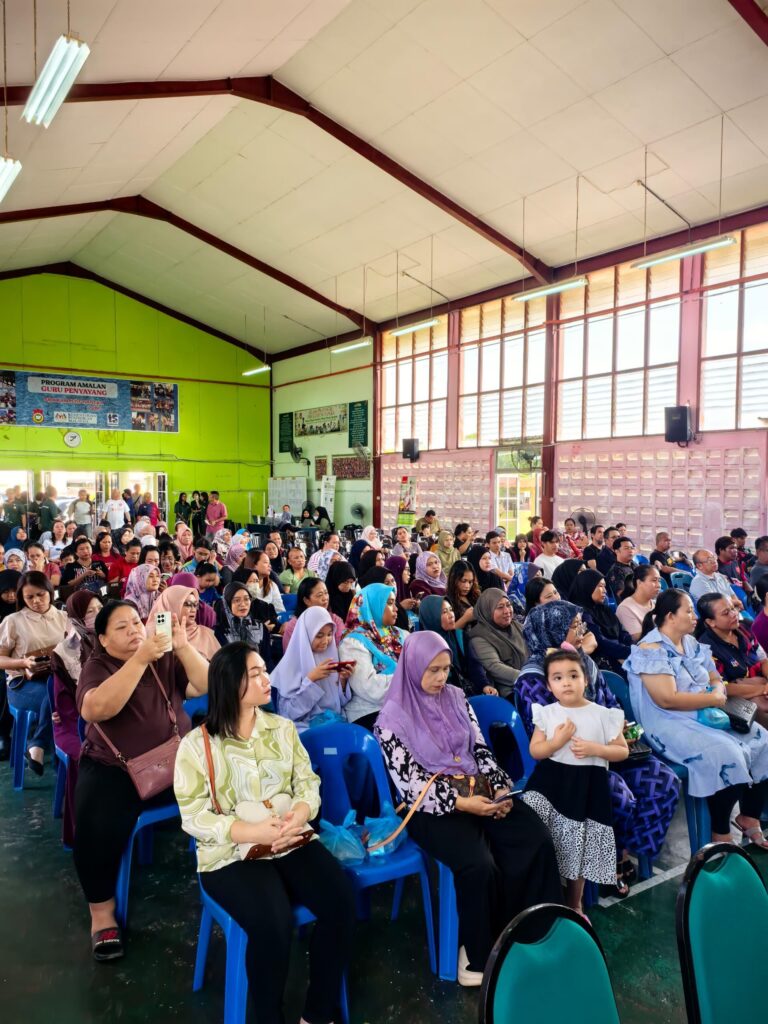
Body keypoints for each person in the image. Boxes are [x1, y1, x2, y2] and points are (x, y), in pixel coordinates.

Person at [174, 642, 354, 1024]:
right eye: (254, 673)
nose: (265, 678)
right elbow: (194, 815)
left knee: (340, 900)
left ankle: (317, 1013)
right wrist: (252, 831)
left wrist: (299, 814)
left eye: (263, 670)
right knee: (273, 923)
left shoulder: (282, 729)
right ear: (230, 683)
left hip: (289, 838)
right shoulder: (197, 746)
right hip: (231, 853)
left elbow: (307, 782)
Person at [375, 631, 561, 985]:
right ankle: (478, 952)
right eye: (432, 670)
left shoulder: (456, 697)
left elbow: (479, 748)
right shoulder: (390, 719)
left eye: (446, 669)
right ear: (412, 668)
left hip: (478, 789)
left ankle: (532, 927)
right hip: (430, 807)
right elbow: (410, 783)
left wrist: (500, 787)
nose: (441, 678)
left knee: (533, 836)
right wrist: (463, 804)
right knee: (478, 863)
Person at [73, 599, 208, 959]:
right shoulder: (97, 666)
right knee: (93, 822)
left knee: (227, 783)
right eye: (121, 627)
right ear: (103, 639)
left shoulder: (163, 656)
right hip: (116, 770)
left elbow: (205, 684)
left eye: (136, 622)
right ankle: (102, 914)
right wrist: (139, 659)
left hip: (175, 763)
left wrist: (182, 646)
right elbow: (95, 709)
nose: (133, 630)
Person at [517, 601, 679, 890]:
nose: (582, 631)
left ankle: (622, 849)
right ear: (552, 631)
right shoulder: (534, 678)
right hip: (570, 761)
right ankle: (604, 863)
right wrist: (603, 735)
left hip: (606, 751)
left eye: (581, 624)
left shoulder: (585, 665)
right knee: (617, 795)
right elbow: (551, 732)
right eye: (574, 626)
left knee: (663, 780)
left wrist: (619, 729)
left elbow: (610, 705)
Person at [625, 589, 768, 847]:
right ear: (670, 616)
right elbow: (666, 699)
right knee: (728, 753)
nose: (695, 617)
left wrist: (718, 690)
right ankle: (720, 831)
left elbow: (715, 677)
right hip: (669, 722)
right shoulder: (650, 649)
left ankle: (749, 816)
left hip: (706, 714)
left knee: (763, 740)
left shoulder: (690, 642)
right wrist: (713, 698)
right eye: (689, 611)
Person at [523, 649, 628, 912]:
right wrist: (556, 742)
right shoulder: (546, 713)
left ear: (586, 680)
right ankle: (544, 895)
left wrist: (596, 749)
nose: (566, 683)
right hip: (550, 784)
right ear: (549, 685)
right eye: (557, 678)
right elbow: (536, 751)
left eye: (573, 675)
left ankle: (575, 904)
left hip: (586, 787)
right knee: (537, 831)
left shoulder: (603, 715)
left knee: (577, 848)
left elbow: (622, 750)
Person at [0, 571, 67, 775]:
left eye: (41, 594)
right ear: (22, 597)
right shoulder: (13, 621)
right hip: (22, 684)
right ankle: (48, 753)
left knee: (62, 695)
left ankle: (40, 746)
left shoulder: (63, 617)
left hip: (56, 678)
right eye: (29, 597)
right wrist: (23, 662)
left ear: (50, 592)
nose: (36, 601)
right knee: (56, 698)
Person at [50, 591, 102, 845]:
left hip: (111, 717)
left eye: (100, 608)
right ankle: (83, 829)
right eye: (90, 612)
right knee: (86, 754)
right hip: (74, 723)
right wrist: (90, 723)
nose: (98, 615)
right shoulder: (64, 652)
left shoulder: (111, 640)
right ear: (76, 617)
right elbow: (65, 706)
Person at [272, 606, 354, 731]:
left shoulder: (330, 656)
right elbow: (288, 714)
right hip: (304, 728)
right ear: (306, 634)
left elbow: (338, 705)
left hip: (335, 723)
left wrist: (342, 682)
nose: (326, 641)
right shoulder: (290, 665)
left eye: (329, 634)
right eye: (319, 635)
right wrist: (310, 680)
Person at [694, 593, 768, 728]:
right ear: (711, 622)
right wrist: (763, 689)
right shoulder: (706, 649)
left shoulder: (745, 628)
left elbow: (763, 660)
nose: (734, 614)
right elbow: (724, 688)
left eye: (733, 608)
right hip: (741, 699)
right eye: (726, 613)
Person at [338, 583, 405, 730]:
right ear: (373, 605)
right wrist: (407, 681)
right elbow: (369, 687)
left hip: (402, 703)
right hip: (370, 711)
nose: (396, 608)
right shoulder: (353, 642)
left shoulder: (398, 634)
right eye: (390, 603)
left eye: (395, 603)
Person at [419, 594, 496, 697]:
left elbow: (474, 665)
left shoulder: (459, 635)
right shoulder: (422, 647)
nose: (451, 615)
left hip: (468, 692)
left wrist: (484, 685)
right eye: (444, 612)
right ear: (431, 617)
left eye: (451, 610)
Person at [465, 589, 527, 699]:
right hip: (511, 690)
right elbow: (494, 667)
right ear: (487, 611)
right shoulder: (479, 637)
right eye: (500, 607)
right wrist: (529, 676)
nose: (507, 611)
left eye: (508, 605)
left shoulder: (517, 626)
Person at [569, 569, 632, 673]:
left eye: (605, 586)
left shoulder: (603, 609)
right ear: (588, 587)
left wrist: (633, 646)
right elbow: (600, 642)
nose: (605, 591)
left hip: (620, 653)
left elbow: (621, 632)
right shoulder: (580, 614)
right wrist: (630, 651)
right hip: (604, 662)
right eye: (600, 586)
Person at [146, 585, 220, 661]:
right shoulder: (152, 634)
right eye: (188, 604)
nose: (193, 610)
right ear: (170, 605)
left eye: (195, 605)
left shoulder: (206, 634)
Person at [281, 577, 345, 652]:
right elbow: (292, 654)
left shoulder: (335, 620)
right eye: (319, 595)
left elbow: (342, 647)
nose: (325, 598)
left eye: (326, 593)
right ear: (306, 600)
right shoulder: (294, 626)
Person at [616, 564, 662, 641]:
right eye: (654, 580)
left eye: (659, 580)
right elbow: (640, 640)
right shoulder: (625, 609)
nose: (659, 585)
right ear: (639, 583)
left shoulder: (656, 603)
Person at [446, 559, 479, 629]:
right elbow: (449, 632)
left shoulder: (475, 596)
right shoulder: (447, 602)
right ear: (454, 580)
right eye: (463, 581)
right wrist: (465, 618)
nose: (467, 586)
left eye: (470, 582)